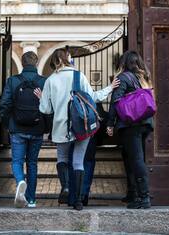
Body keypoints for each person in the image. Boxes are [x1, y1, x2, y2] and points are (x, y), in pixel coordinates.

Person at [35, 48, 120, 210]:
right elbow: (94, 98)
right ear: (68, 59)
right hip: (81, 125)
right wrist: (110, 87)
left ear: (54, 61)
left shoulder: (50, 80)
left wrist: (42, 100)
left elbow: (46, 110)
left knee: (62, 158)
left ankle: (66, 187)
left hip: (61, 127)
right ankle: (79, 201)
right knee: (79, 162)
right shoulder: (78, 76)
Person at [106, 50, 154, 209]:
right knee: (130, 157)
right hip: (144, 123)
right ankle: (133, 193)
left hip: (130, 124)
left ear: (124, 63)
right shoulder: (144, 77)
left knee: (136, 159)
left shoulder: (123, 77)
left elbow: (116, 101)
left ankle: (144, 197)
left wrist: (110, 123)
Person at [0, 51, 47, 208]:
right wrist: (46, 126)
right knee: (32, 163)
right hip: (37, 128)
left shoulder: (13, 81)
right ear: (36, 62)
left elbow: (5, 104)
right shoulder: (43, 81)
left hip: (17, 128)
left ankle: (20, 181)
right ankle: (32, 199)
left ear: (22, 62)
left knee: (17, 161)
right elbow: (49, 106)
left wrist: (8, 123)